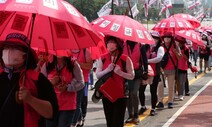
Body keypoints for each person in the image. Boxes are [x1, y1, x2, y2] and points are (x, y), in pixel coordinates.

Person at [0, 33, 58, 127]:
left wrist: (31, 99)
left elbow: (51, 113)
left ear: (25, 55)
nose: (9, 51)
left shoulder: (38, 79)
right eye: (6, 47)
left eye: (15, 48)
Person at [95, 36, 134, 127]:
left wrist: (120, 73)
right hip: (107, 94)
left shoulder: (125, 59)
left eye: (113, 42)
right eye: (108, 42)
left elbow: (132, 76)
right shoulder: (103, 58)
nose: (110, 44)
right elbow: (97, 74)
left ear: (118, 44)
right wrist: (107, 70)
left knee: (118, 122)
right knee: (110, 121)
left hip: (121, 95)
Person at [41, 55, 84, 127]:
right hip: (50, 106)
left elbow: (81, 83)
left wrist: (68, 87)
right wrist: (51, 83)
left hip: (67, 106)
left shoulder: (73, 65)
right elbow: (41, 85)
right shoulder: (47, 65)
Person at [139, 31, 164, 116]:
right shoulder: (145, 47)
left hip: (155, 73)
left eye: (155, 38)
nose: (154, 39)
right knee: (141, 90)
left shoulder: (160, 48)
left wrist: (147, 61)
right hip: (145, 72)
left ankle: (153, 108)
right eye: (152, 37)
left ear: (158, 39)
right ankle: (143, 106)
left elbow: (159, 58)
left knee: (153, 91)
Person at [122, 40, 148, 124]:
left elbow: (144, 60)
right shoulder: (123, 45)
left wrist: (146, 72)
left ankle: (136, 115)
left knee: (134, 93)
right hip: (126, 74)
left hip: (137, 73)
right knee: (128, 94)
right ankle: (130, 115)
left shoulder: (140, 46)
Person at [156, 32, 182, 109]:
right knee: (160, 86)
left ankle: (170, 101)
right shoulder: (160, 46)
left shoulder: (175, 46)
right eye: (165, 37)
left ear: (171, 38)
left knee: (171, 86)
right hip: (162, 69)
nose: (167, 38)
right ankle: (160, 101)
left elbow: (180, 58)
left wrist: (175, 52)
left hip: (172, 69)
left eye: (168, 37)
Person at [71, 48, 93, 127]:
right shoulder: (67, 50)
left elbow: (90, 65)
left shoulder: (85, 51)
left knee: (77, 102)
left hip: (82, 81)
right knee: (73, 102)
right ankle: (79, 119)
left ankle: (73, 123)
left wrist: (79, 64)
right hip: (70, 81)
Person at [175, 36, 189, 101]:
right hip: (175, 67)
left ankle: (181, 94)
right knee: (175, 82)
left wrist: (181, 53)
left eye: (181, 43)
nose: (180, 44)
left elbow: (187, 58)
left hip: (183, 67)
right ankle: (175, 93)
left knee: (181, 82)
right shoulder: (174, 48)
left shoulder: (186, 49)